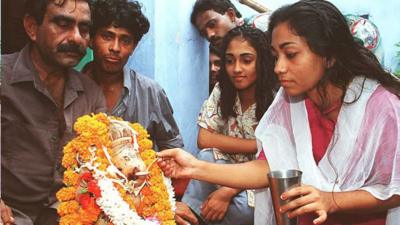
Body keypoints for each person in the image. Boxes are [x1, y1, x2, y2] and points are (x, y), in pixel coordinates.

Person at [158, 0, 400, 225]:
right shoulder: (291, 100)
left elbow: (394, 188)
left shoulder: (381, 107)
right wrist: (192, 167)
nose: (279, 68)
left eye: (291, 55)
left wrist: (331, 200)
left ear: (328, 55)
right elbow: (269, 166)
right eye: (275, 56)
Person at [1, 0, 107, 224]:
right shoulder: (3, 78)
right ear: (31, 27)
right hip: (9, 211)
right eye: (62, 23)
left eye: (84, 29)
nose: (77, 38)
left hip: (65, 212)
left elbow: (100, 163)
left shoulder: (91, 93)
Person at [182, 26, 276, 225]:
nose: (237, 69)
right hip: (226, 169)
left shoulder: (276, 99)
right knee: (207, 155)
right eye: (230, 60)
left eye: (247, 60)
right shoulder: (222, 89)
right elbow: (204, 139)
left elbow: (275, 162)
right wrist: (256, 145)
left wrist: (227, 192)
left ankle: (193, 216)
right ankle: (188, 216)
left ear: (262, 62)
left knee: (246, 210)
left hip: (261, 181)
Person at [83, 0, 184, 151]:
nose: (115, 48)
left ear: (133, 47)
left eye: (125, 40)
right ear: (91, 40)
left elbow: (173, 148)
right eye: (107, 36)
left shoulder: (150, 92)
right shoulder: (70, 89)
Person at [190, 0, 270, 47]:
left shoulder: (260, 25)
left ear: (231, 15)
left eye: (212, 25)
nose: (209, 35)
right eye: (203, 33)